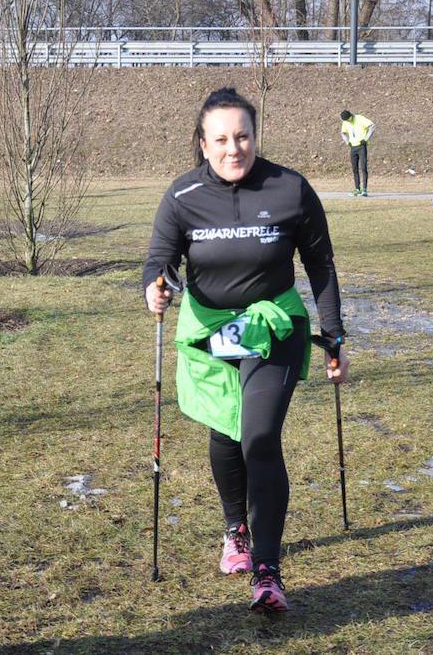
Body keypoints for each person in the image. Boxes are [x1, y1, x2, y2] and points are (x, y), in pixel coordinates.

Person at [143, 87, 348, 614]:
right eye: (221, 139)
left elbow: (320, 265)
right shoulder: (183, 195)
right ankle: (235, 529)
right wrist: (156, 286)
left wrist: (334, 335)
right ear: (203, 143)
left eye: (242, 136)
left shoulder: (290, 188)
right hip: (210, 330)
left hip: (274, 326)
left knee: (258, 435)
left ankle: (267, 571)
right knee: (225, 431)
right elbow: (160, 260)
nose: (233, 148)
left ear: (255, 136)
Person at [339, 109, 374, 196]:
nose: (348, 121)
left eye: (348, 120)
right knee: (355, 169)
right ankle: (357, 189)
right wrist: (347, 142)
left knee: (363, 168)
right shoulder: (345, 122)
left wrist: (366, 139)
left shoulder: (359, 118)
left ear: (351, 116)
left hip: (361, 146)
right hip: (353, 147)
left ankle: (364, 189)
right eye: (346, 120)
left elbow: (372, 126)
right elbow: (343, 133)